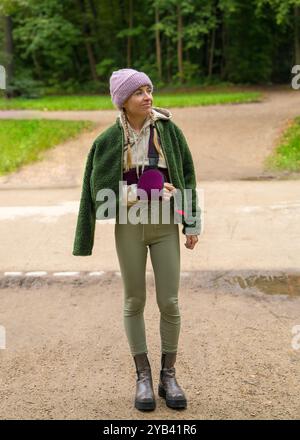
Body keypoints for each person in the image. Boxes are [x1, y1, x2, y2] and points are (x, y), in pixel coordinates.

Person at [72, 68, 201, 412]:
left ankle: (168, 376)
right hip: (129, 226)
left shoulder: (169, 131)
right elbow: (100, 197)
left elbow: (187, 175)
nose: (148, 96)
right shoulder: (108, 140)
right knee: (133, 300)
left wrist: (191, 222)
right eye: (139, 92)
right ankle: (142, 376)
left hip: (164, 227)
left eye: (149, 89)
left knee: (170, 302)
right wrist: (141, 191)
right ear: (123, 102)